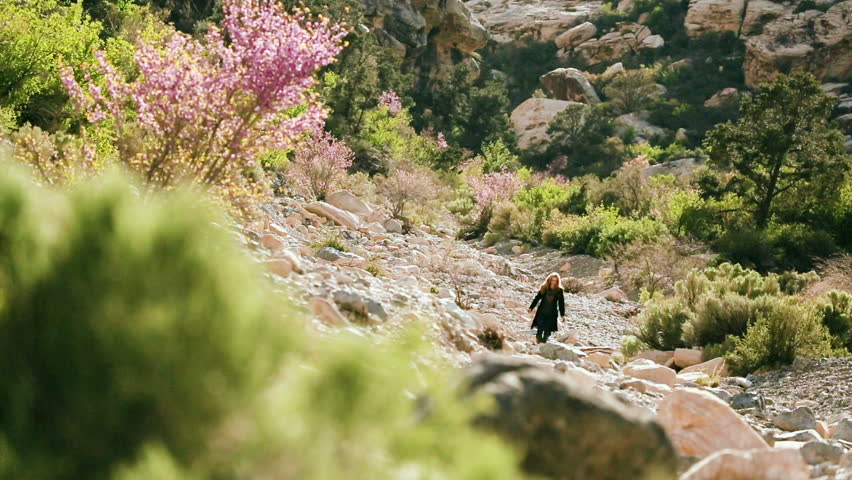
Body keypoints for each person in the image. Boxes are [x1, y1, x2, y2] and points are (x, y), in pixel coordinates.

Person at [529, 272, 565, 344]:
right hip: (542, 311)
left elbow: (561, 303)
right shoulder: (544, 288)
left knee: (547, 331)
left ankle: (544, 343)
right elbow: (537, 298)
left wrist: (563, 315)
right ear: (549, 280)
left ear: (557, 281)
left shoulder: (559, 290)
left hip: (552, 313)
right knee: (539, 329)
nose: (553, 282)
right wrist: (531, 307)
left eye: (555, 280)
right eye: (552, 280)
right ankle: (539, 344)